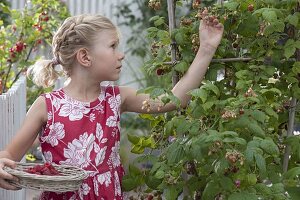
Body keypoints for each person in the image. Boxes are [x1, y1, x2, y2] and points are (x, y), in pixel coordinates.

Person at [0, 13, 223, 199]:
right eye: (113, 46)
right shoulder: (46, 106)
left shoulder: (117, 98)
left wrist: (206, 49)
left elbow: (176, 99)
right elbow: (9, 154)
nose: (121, 54)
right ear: (85, 57)